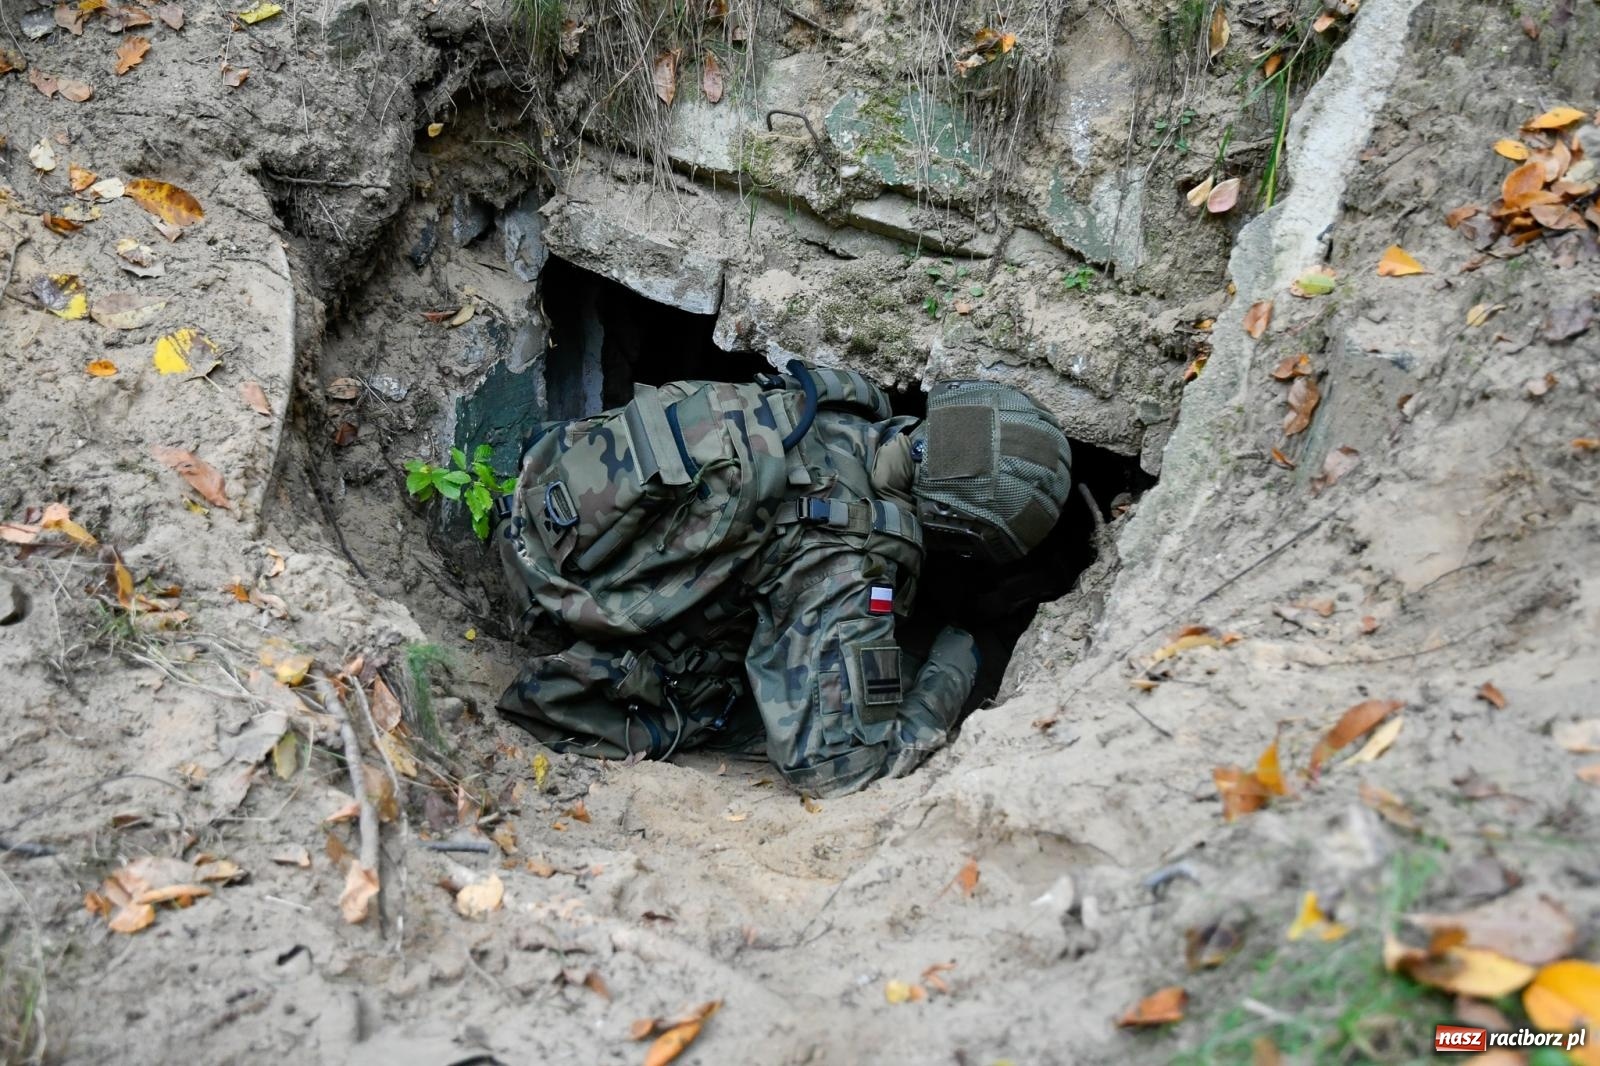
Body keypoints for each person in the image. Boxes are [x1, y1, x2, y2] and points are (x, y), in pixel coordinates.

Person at [494, 361, 1072, 797]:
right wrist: (960, 658)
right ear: (961, 533)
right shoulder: (849, 560)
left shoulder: (837, 402)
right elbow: (833, 768)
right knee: (889, 674)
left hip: (538, 500)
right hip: (553, 602)